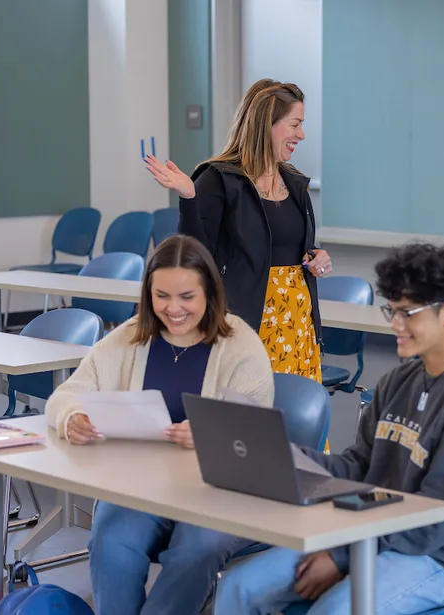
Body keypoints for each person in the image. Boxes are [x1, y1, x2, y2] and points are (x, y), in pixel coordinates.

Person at [211, 243, 444, 615]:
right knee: (239, 588)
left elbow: (436, 518)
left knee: (333, 611)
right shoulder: (397, 381)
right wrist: (282, 457)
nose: (395, 325)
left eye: (408, 313)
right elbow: (358, 465)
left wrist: (342, 556)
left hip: (436, 558)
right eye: (393, 310)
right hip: (367, 534)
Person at [45, 235, 275, 615]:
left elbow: (255, 432)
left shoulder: (241, 346)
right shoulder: (127, 339)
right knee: (111, 542)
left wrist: (211, 434)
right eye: (162, 295)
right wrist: (73, 419)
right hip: (141, 488)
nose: (174, 308)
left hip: (218, 492)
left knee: (197, 549)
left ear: (209, 294)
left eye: (187, 296)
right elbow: (67, 394)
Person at [144, 79, 330, 382]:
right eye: (295, 124)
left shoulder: (294, 184)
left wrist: (317, 257)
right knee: (247, 420)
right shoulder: (218, 179)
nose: (302, 134)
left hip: (297, 322)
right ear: (266, 124)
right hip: (246, 322)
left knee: (295, 418)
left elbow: (295, 248)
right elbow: (197, 256)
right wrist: (189, 199)